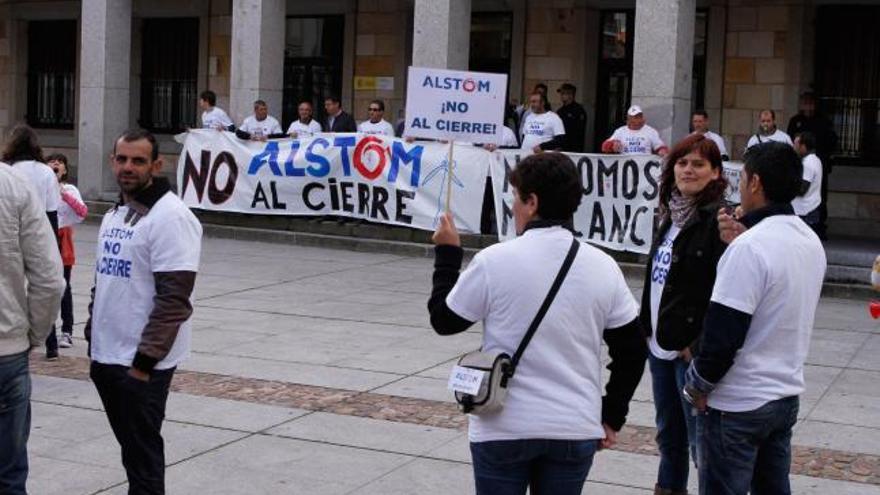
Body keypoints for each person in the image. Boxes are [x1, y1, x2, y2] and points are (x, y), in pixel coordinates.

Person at [428, 152, 647, 495]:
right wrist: (611, 414)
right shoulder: (603, 266)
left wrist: (447, 255)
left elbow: (444, 320)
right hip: (572, 426)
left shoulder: (495, 260)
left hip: (504, 427)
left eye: (515, 197)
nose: (512, 206)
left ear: (532, 202)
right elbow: (632, 351)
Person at [684, 141, 826, 495]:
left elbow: (723, 334)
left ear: (756, 183)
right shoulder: (809, 240)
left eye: (742, 179)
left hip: (738, 403)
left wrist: (697, 386)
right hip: (783, 394)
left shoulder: (749, 248)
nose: (739, 188)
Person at [86, 129, 203, 494]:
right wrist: (93, 326)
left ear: (157, 164)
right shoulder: (116, 212)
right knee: (133, 454)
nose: (127, 167)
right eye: (121, 159)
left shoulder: (171, 217)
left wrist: (143, 364)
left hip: (140, 366)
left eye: (138, 161)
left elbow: (174, 301)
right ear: (111, 161)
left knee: (143, 459)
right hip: (107, 356)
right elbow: (104, 277)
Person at [640, 134, 729, 495]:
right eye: (681, 163)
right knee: (668, 435)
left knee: (700, 444)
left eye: (698, 164)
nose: (688, 170)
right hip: (659, 346)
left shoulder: (718, 221)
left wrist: (697, 343)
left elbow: (725, 292)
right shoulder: (669, 216)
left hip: (688, 351)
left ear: (715, 172)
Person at [0, 161, 65, 494]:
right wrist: (33, 336)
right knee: (8, 476)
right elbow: (51, 279)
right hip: (6, 348)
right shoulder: (13, 184)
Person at [2, 125, 63, 359]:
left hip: (14, 229)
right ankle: (51, 342)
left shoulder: (11, 171)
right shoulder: (45, 172)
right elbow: (51, 209)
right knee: (47, 281)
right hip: (39, 229)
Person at [47, 153, 88, 349]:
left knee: (64, 287)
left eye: (60, 162)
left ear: (64, 170)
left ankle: (67, 331)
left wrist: (63, 193)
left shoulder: (70, 189)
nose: (56, 164)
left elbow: (82, 212)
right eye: (52, 161)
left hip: (62, 238)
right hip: (44, 237)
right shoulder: (40, 186)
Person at [787, 92, 836, 239]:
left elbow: (831, 141)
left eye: (810, 103)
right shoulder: (795, 121)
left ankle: (820, 226)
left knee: (818, 196)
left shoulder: (823, 121)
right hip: (799, 163)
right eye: (804, 103)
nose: (807, 106)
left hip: (816, 162)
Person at [602, 105, 669, 157]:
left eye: (640, 117)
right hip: (624, 168)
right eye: (635, 118)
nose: (638, 120)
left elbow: (660, 146)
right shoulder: (620, 131)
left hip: (643, 170)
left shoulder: (650, 131)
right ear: (628, 120)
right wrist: (612, 145)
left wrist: (662, 151)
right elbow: (604, 147)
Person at [791, 132, 823, 235]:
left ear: (803, 146)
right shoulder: (816, 160)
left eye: (796, 144)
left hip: (805, 212)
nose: (793, 147)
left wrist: (785, 188)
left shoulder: (808, 163)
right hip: (809, 209)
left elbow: (802, 190)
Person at [556, 83, 587, 152]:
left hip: (574, 148)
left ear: (571, 95)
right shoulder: (560, 111)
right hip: (561, 147)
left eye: (564, 94)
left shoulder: (578, 110)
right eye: (561, 94)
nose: (561, 96)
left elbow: (579, 131)